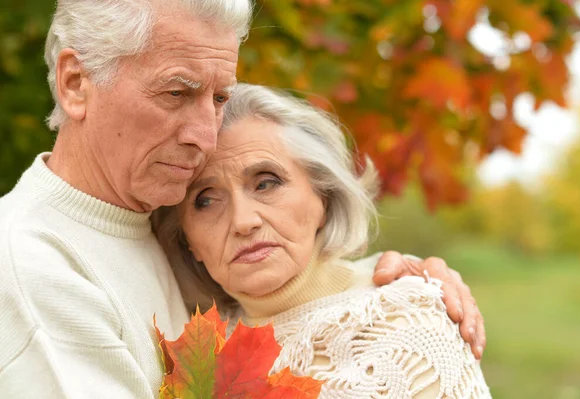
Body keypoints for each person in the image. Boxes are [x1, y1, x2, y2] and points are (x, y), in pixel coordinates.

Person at [0, 1, 484, 398]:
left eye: (217, 98)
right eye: (175, 92)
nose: (205, 136)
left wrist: (388, 282)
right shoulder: (32, 265)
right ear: (75, 83)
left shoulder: (146, 216)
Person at [153, 83, 491, 398]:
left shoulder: (408, 320)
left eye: (266, 183)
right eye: (206, 200)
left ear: (324, 197)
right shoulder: (186, 345)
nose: (243, 221)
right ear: (188, 240)